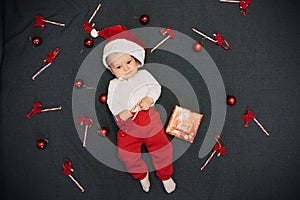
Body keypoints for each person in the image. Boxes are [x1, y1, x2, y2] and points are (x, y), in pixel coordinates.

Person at [101, 25, 176, 193]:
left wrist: (149, 98)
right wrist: (121, 112)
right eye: (118, 67)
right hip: (128, 125)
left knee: (161, 148)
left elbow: (155, 88)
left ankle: (165, 175)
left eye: (128, 62)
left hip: (149, 118)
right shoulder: (113, 85)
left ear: (135, 59)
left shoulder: (144, 75)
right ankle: (141, 175)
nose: (126, 69)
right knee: (126, 155)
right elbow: (112, 102)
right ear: (111, 70)